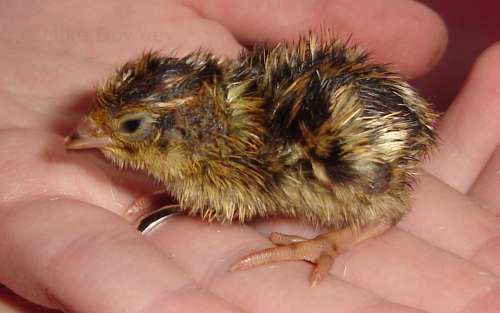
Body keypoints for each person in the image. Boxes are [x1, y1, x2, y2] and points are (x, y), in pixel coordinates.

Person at [1, 1, 499, 312]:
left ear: (186, 131)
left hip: (366, 134)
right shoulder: (217, 133)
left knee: (349, 170)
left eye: (131, 127)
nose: (85, 132)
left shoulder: (234, 163)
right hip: (350, 103)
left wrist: (331, 240)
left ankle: (360, 227)